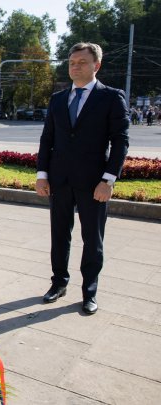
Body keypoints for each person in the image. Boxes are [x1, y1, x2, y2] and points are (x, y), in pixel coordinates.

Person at [35, 43, 129, 315]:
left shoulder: (111, 97)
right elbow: (47, 140)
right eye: (72, 61)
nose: (75, 66)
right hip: (59, 180)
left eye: (82, 62)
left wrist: (108, 180)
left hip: (93, 183)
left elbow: (120, 141)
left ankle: (89, 291)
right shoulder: (58, 99)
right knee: (59, 236)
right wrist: (42, 175)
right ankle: (58, 283)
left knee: (93, 239)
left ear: (96, 66)